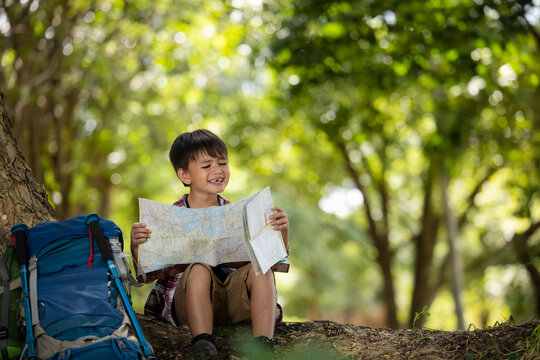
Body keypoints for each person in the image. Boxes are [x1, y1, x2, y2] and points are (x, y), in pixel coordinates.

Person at [130, 129, 289, 359]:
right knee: (198, 268)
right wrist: (137, 247)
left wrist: (282, 232)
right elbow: (145, 273)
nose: (217, 170)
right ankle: (202, 344)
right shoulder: (166, 219)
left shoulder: (242, 214)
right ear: (185, 175)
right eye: (206, 166)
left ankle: (263, 345)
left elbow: (274, 260)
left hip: (235, 300)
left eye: (222, 163)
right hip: (190, 304)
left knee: (261, 270)